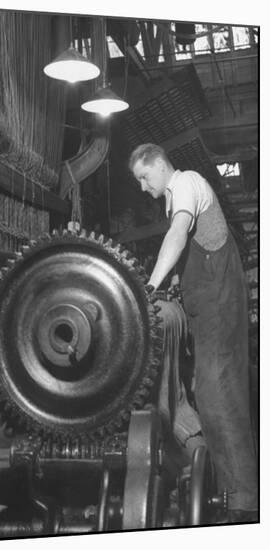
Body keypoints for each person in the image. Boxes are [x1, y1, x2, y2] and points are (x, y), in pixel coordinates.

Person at [128, 143, 257, 523]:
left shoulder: (186, 185)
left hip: (219, 303)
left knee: (218, 391)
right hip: (209, 308)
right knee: (212, 389)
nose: (141, 186)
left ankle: (244, 504)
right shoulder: (174, 196)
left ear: (160, 166)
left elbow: (179, 235)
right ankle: (229, 490)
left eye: (143, 177)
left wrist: (149, 286)